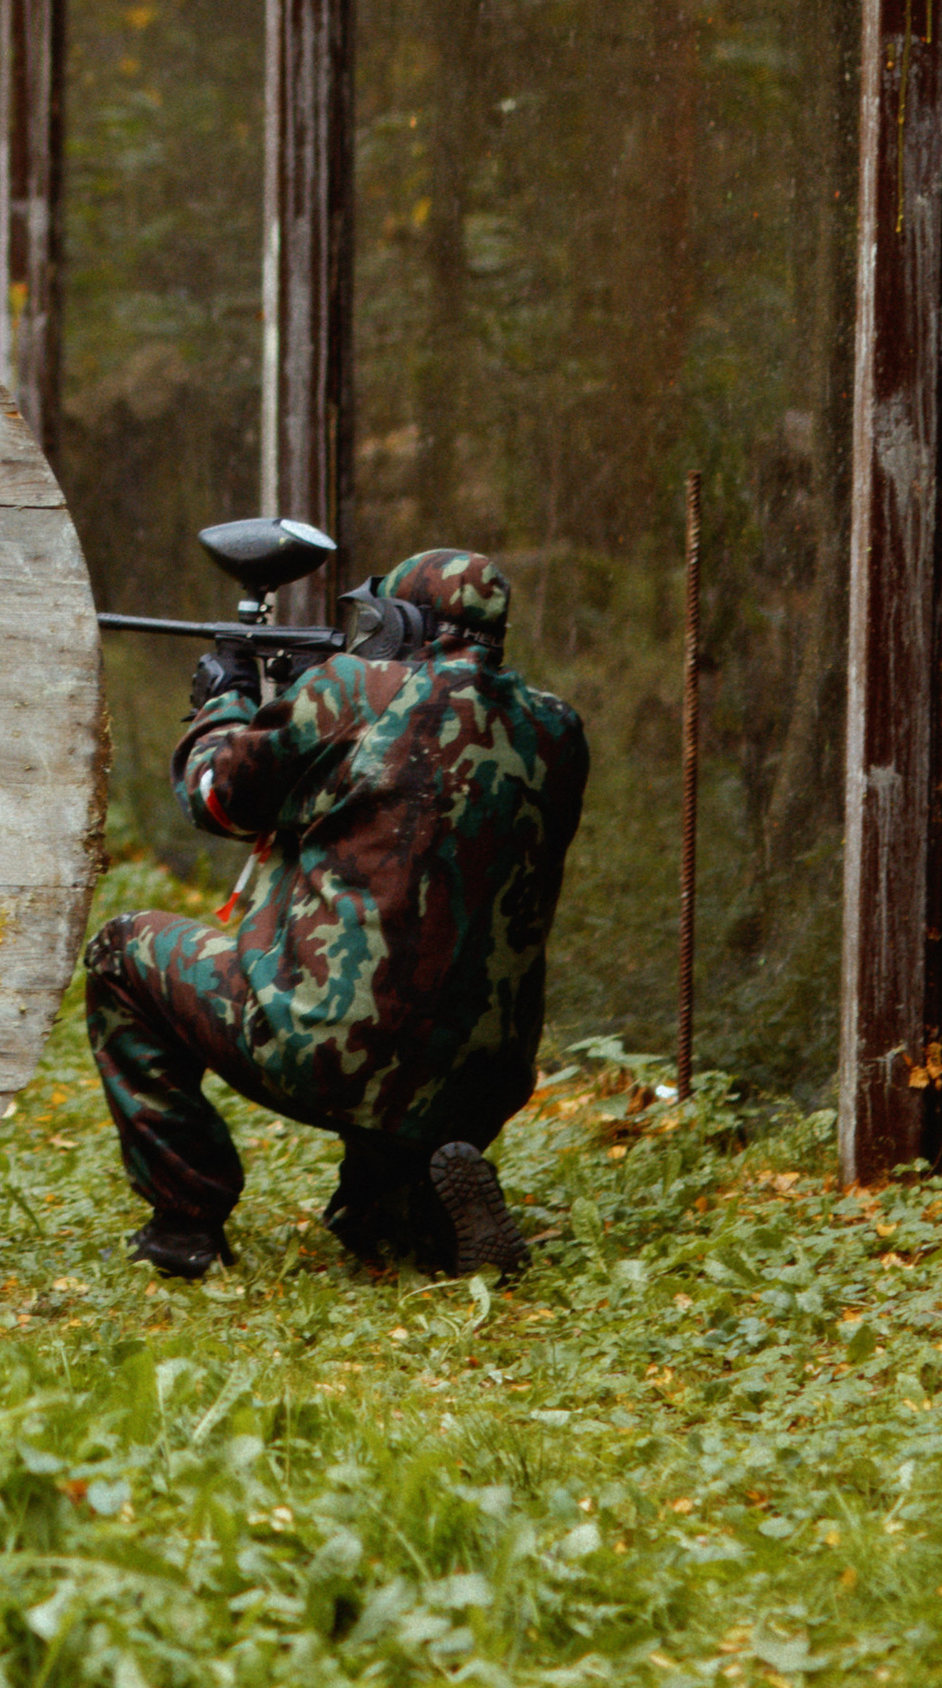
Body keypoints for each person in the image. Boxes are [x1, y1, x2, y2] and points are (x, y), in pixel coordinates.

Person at [85, 546, 588, 1284]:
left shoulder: (353, 692)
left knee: (122, 953)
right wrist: (301, 709)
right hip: (480, 1079)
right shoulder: (558, 729)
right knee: (414, 993)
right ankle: (400, 1208)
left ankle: (183, 1223)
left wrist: (222, 704)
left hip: (325, 1049)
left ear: (404, 621)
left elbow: (214, 796)